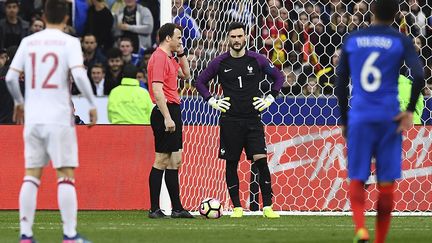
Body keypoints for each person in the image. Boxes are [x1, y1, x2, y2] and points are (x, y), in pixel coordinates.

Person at [5, 0, 97, 242]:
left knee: (31, 175)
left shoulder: (28, 42)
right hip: (59, 118)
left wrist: (18, 103)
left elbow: (11, 78)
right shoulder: (69, 42)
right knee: (65, 174)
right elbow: (79, 74)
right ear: (66, 19)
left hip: (33, 119)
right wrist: (92, 104)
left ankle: (25, 235)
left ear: (43, 17)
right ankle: (69, 235)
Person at [335, 0, 424, 242]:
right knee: (386, 183)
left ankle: (361, 229)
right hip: (389, 118)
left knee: (357, 176)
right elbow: (419, 75)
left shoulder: (353, 39)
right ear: (396, 14)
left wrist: (344, 119)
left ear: (371, 12)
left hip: (361, 116)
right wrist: (408, 110)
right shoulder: (400, 40)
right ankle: (380, 240)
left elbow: (340, 82)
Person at [195, 22, 284, 218]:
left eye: (239, 36)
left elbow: (278, 76)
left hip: (253, 120)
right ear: (228, 38)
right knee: (231, 163)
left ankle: (268, 207)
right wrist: (211, 100)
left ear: (246, 38)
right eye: (233, 37)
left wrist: (270, 97)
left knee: (261, 161)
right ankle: (237, 207)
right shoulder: (219, 62)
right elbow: (199, 82)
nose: (236, 40)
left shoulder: (257, 59)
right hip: (230, 120)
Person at [147, 23, 192, 218]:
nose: (180, 40)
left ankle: (177, 208)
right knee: (162, 159)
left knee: (175, 160)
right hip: (165, 111)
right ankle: (154, 209)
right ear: (168, 38)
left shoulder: (169, 58)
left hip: (173, 109)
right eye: (178, 37)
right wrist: (167, 117)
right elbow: (157, 90)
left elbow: (186, 74)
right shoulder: (158, 58)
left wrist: (181, 54)